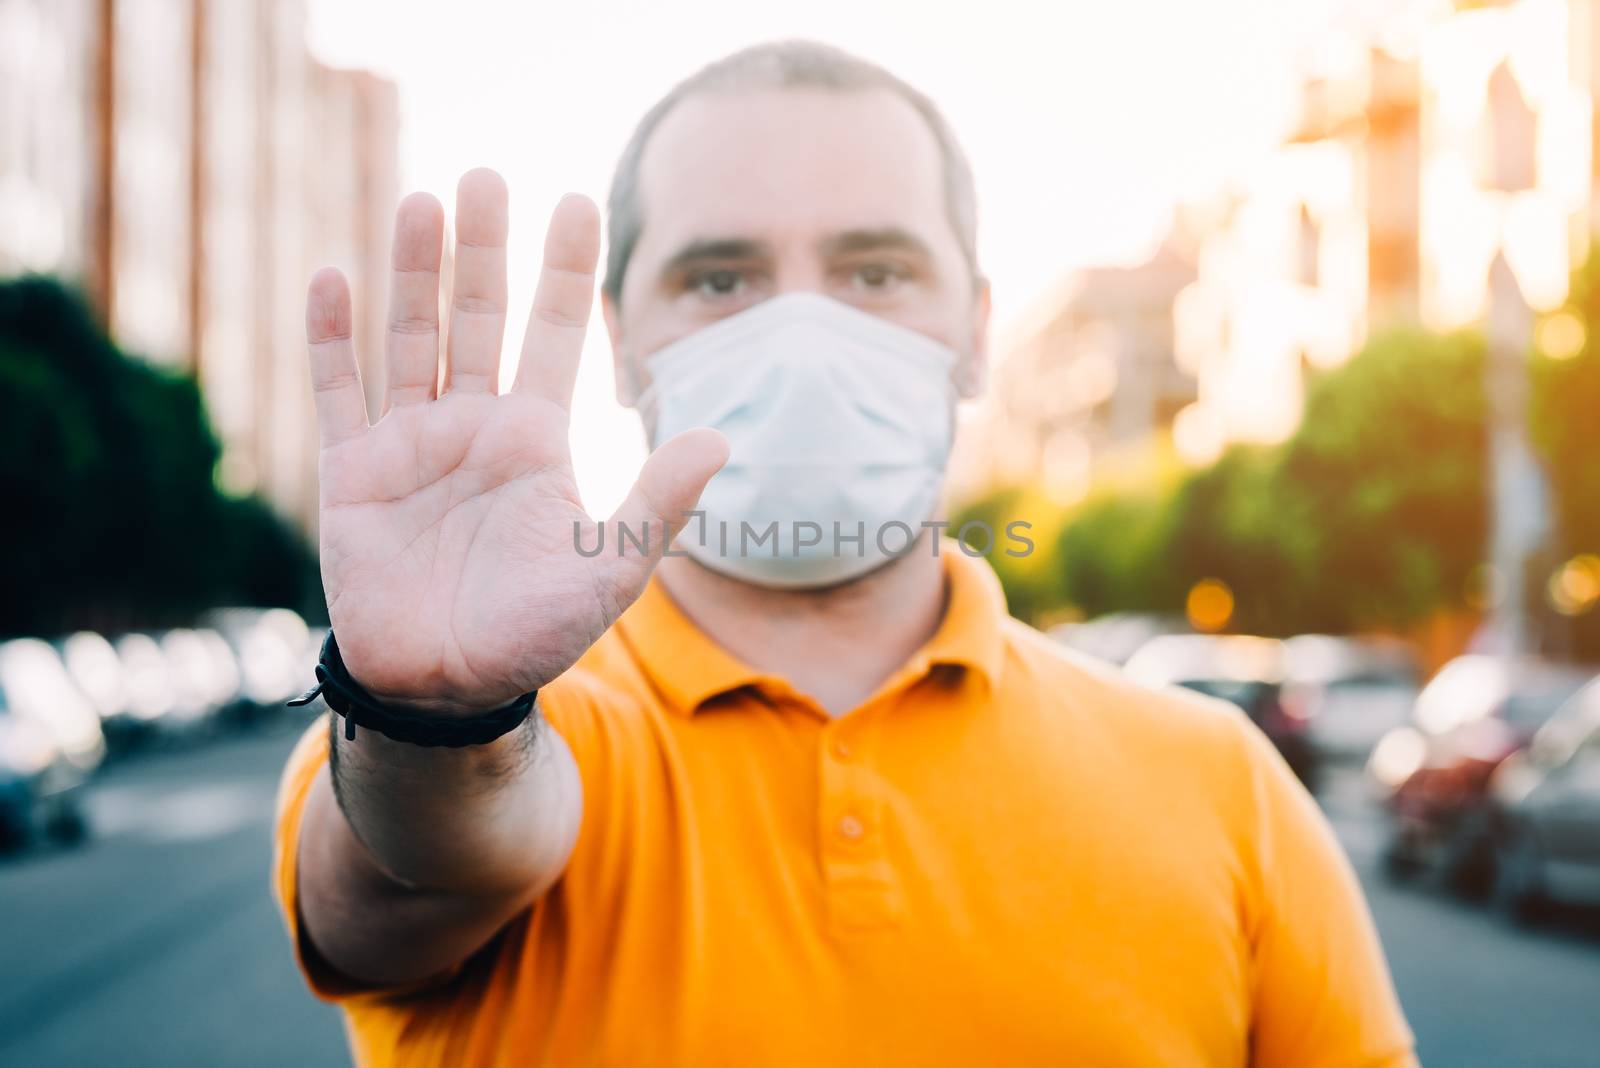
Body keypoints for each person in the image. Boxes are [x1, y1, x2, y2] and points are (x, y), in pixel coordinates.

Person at [274, 39, 1417, 1067]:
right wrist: (440, 722)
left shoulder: (1222, 784)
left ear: (973, 333)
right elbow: (426, 865)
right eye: (721, 278)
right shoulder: (465, 739)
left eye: (875, 272)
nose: (804, 336)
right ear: (622, 348)